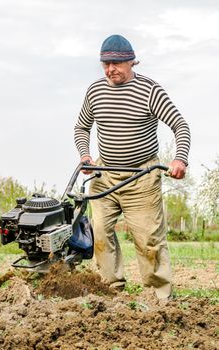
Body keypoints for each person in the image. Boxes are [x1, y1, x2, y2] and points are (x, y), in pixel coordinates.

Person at [74, 34, 191, 303]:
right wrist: (85, 155)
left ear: (131, 62)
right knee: (100, 232)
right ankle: (110, 290)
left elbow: (180, 125)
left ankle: (158, 297)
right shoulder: (95, 91)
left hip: (141, 177)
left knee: (148, 240)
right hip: (105, 174)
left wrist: (179, 159)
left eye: (116, 63)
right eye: (105, 64)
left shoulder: (150, 90)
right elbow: (82, 126)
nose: (110, 69)